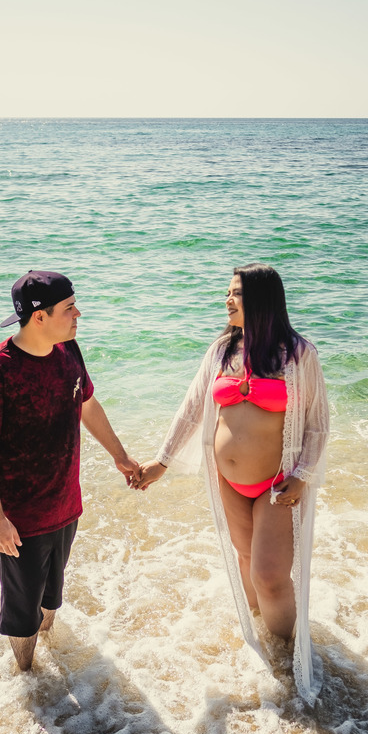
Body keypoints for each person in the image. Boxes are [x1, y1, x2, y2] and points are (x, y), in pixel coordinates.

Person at [135, 263, 329, 703]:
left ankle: (289, 658)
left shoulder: (298, 355)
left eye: (235, 293)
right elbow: (190, 409)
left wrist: (302, 476)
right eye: (227, 292)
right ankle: (263, 647)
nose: (227, 300)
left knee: (271, 575)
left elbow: (317, 424)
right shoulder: (222, 351)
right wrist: (161, 462)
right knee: (245, 561)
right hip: (227, 481)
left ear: (262, 299)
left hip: (276, 485)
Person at [0, 270, 141, 672]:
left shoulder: (69, 351)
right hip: (22, 519)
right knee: (22, 613)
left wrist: (120, 455)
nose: (78, 314)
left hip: (66, 505)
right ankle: (27, 678)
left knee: (51, 598)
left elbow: (87, 404)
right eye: (69, 308)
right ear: (39, 317)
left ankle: (49, 667)